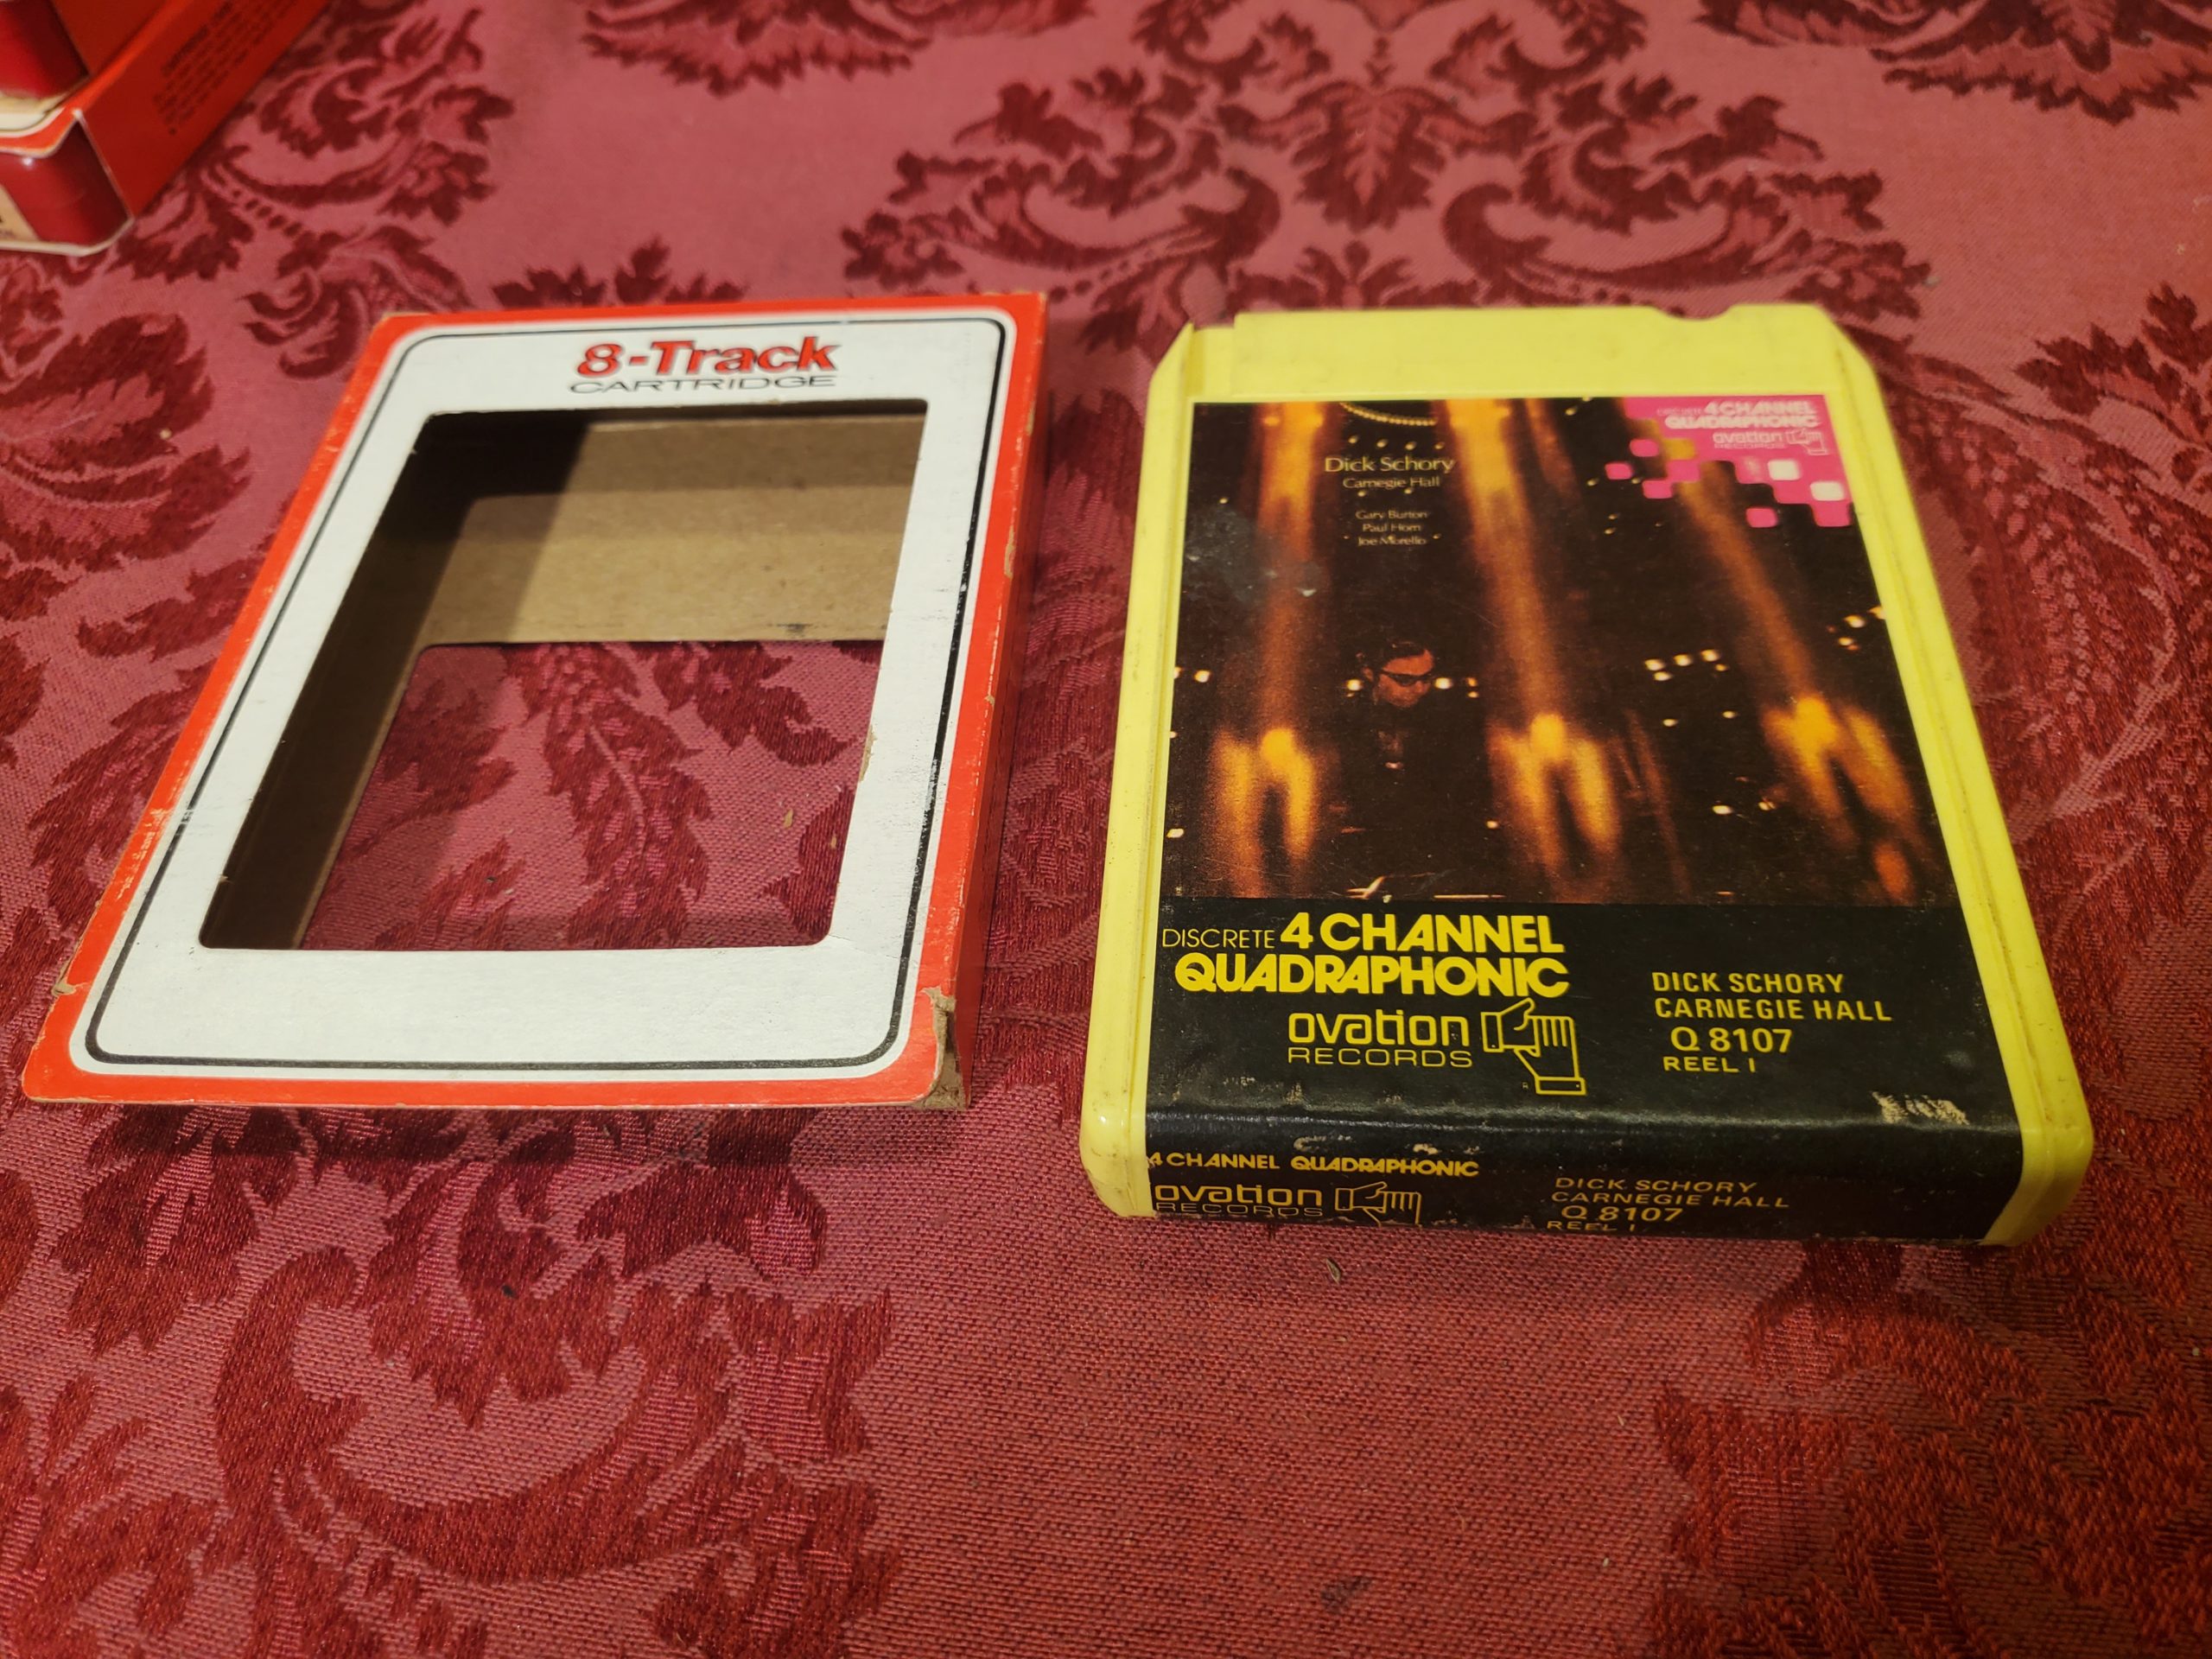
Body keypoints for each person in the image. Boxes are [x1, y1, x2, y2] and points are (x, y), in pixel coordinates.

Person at [1330, 632, 1490, 890]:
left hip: (1442, 854)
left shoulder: (1454, 720)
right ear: (1369, 673)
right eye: (1404, 680)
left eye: (1426, 678)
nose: (1420, 689)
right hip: (1361, 856)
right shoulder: (1340, 721)